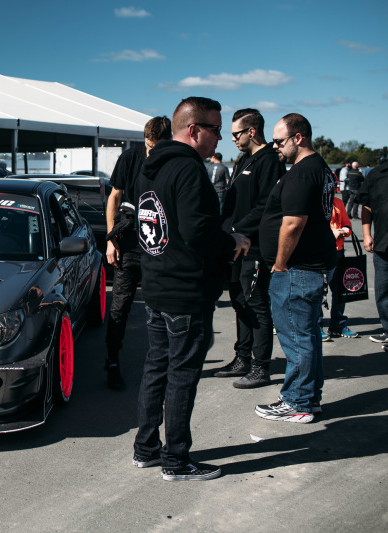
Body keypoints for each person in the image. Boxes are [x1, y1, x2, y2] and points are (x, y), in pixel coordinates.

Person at [132, 97, 250, 481]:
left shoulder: (150, 168)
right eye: (216, 129)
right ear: (194, 129)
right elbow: (197, 231)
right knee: (181, 374)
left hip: (157, 284)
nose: (221, 138)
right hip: (183, 289)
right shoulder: (188, 169)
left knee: (157, 369)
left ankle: (146, 449)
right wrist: (232, 243)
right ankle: (176, 460)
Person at [256, 113, 337, 423]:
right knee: (308, 335)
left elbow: (293, 223)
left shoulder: (303, 172)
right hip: (311, 266)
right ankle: (309, 398)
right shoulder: (320, 169)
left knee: (296, 336)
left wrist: (279, 263)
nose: (276, 146)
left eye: (279, 141)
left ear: (298, 138)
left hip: (297, 269)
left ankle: (298, 402)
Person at [216, 109, 284, 388]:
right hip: (235, 246)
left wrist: (237, 230)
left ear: (251, 131)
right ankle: (242, 357)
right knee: (239, 301)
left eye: (236, 134)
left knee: (256, 304)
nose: (232, 139)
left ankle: (260, 366)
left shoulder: (268, 161)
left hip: (253, 246)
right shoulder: (245, 159)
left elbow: (267, 205)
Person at [103, 116, 172, 389]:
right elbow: (114, 196)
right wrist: (111, 239)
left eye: (156, 146)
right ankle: (111, 361)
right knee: (119, 308)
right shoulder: (130, 157)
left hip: (160, 248)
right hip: (129, 245)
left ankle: (162, 365)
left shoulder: (173, 162)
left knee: (161, 309)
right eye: (148, 145)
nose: (150, 151)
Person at [359, 161, 388, 348]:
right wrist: (367, 234)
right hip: (383, 245)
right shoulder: (377, 174)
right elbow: (366, 206)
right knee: (383, 292)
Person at [320, 194, 357, 340]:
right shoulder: (313, 201)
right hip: (321, 253)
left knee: (340, 290)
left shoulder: (338, 202)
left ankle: (338, 325)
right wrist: (331, 234)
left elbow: (347, 225)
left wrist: (344, 231)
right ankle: (317, 326)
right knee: (319, 291)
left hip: (338, 252)